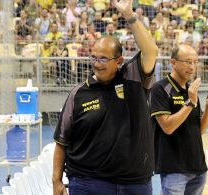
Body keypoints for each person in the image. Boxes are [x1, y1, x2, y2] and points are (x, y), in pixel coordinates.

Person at [52, 0, 159, 194]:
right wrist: (56, 181)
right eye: (93, 57)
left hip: (135, 183)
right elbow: (62, 140)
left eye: (102, 59)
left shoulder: (133, 78)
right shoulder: (78, 93)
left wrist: (129, 15)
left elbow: (150, 51)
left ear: (119, 61)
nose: (97, 64)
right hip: (88, 182)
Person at [150, 44, 208, 195]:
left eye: (195, 62)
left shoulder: (190, 90)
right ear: (173, 62)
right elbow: (167, 127)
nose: (192, 67)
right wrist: (190, 103)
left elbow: (201, 130)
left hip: (198, 168)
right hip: (174, 169)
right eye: (188, 62)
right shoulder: (160, 88)